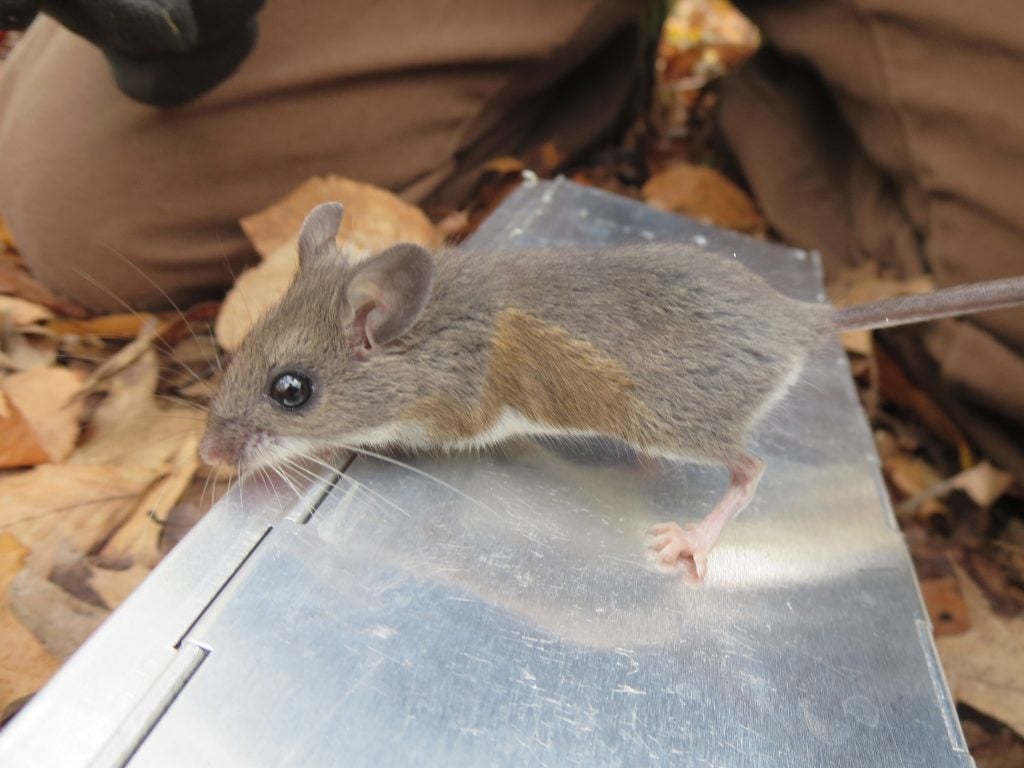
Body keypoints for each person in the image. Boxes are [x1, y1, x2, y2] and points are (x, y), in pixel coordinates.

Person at [1, 0, 1022, 478]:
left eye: (292, 398)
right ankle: (600, 66)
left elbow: (453, 411)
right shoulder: (385, 339)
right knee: (80, 207)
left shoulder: (408, 361)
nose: (226, 443)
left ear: (376, 323)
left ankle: (766, 105)